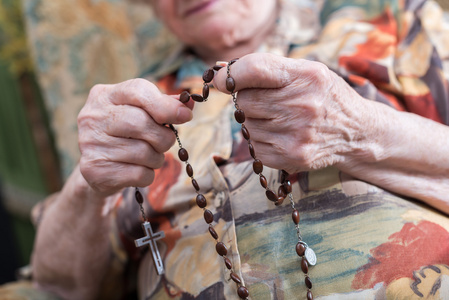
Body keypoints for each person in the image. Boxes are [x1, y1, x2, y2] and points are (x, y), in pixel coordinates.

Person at [4, 0, 449, 299]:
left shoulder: (392, 23)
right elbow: (58, 285)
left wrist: (359, 128)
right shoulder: (131, 107)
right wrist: (88, 185)